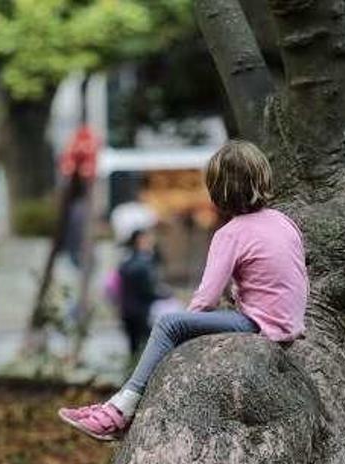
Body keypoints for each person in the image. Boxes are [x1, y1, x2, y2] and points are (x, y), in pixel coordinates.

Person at [58, 140, 309, 441]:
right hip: (288, 322)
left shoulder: (231, 233)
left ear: (218, 189)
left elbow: (206, 298)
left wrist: (185, 328)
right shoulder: (284, 222)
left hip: (263, 325)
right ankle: (116, 403)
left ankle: (119, 412)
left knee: (170, 324)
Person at [117, 228, 171, 357]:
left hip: (127, 309)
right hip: (142, 311)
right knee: (147, 348)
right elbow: (148, 289)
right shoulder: (144, 263)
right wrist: (165, 295)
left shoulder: (127, 261)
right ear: (140, 241)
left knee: (133, 347)